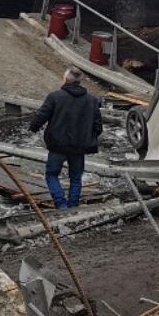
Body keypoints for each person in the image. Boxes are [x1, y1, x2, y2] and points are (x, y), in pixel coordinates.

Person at [29, 67, 102, 209]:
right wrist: (87, 137)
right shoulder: (92, 100)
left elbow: (41, 116)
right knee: (75, 178)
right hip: (79, 146)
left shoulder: (55, 96)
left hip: (58, 144)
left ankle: (61, 204)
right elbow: (98, 126)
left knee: (51, 175)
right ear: (79, 82)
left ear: (65, 80)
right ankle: (73, 206)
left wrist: (33, 128)